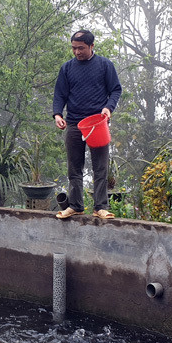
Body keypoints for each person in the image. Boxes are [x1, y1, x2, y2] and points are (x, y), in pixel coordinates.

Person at [53, 30, 122, 219]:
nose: (77, 52)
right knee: (74, 168)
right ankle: (75, 205)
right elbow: (60, 94)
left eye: (81, 48)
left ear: (92, 46)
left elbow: (115, 90)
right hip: (75, 123)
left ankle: (100, 207)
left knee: (100, 167)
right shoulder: (67, 68)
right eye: (74, 48)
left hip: (97, 124)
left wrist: (108, 108)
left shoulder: (104, 65)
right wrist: (58, 114)